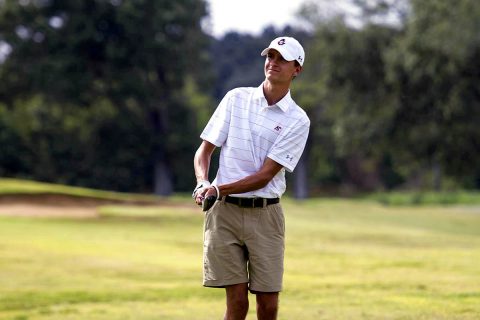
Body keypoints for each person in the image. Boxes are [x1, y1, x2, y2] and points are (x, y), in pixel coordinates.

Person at [192, 36, 310, 320]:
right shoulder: (236, 99)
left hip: (265, 215)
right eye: (270, 57)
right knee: (236, 302)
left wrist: (217, 189)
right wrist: (202, 181)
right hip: (224, 214)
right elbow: (204, 150)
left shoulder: (298, 120)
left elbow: (265, 176)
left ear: (297, 69)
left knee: (267, 304)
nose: (273, 63)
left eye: (282, 59)